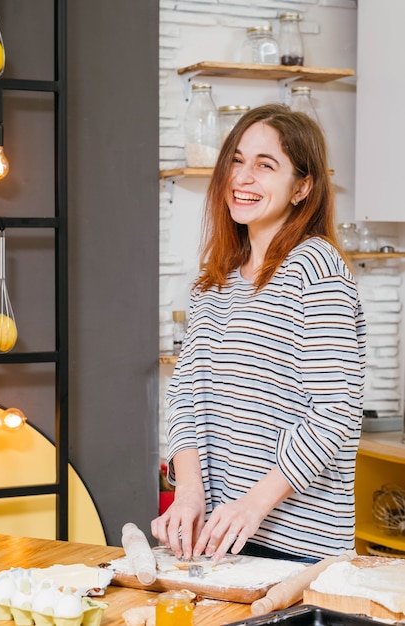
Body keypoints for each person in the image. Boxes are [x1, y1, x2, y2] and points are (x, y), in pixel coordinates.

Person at [151, 103, 366, 565]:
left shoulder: (316, 269)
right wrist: (187, 493)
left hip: (299, 552)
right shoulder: (214, 282)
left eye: (265, 165)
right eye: (236, 160)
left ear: (302, 188)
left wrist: (254, 504)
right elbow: (185, 396)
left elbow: (336, 413)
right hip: (221, 542)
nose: (242, 177)